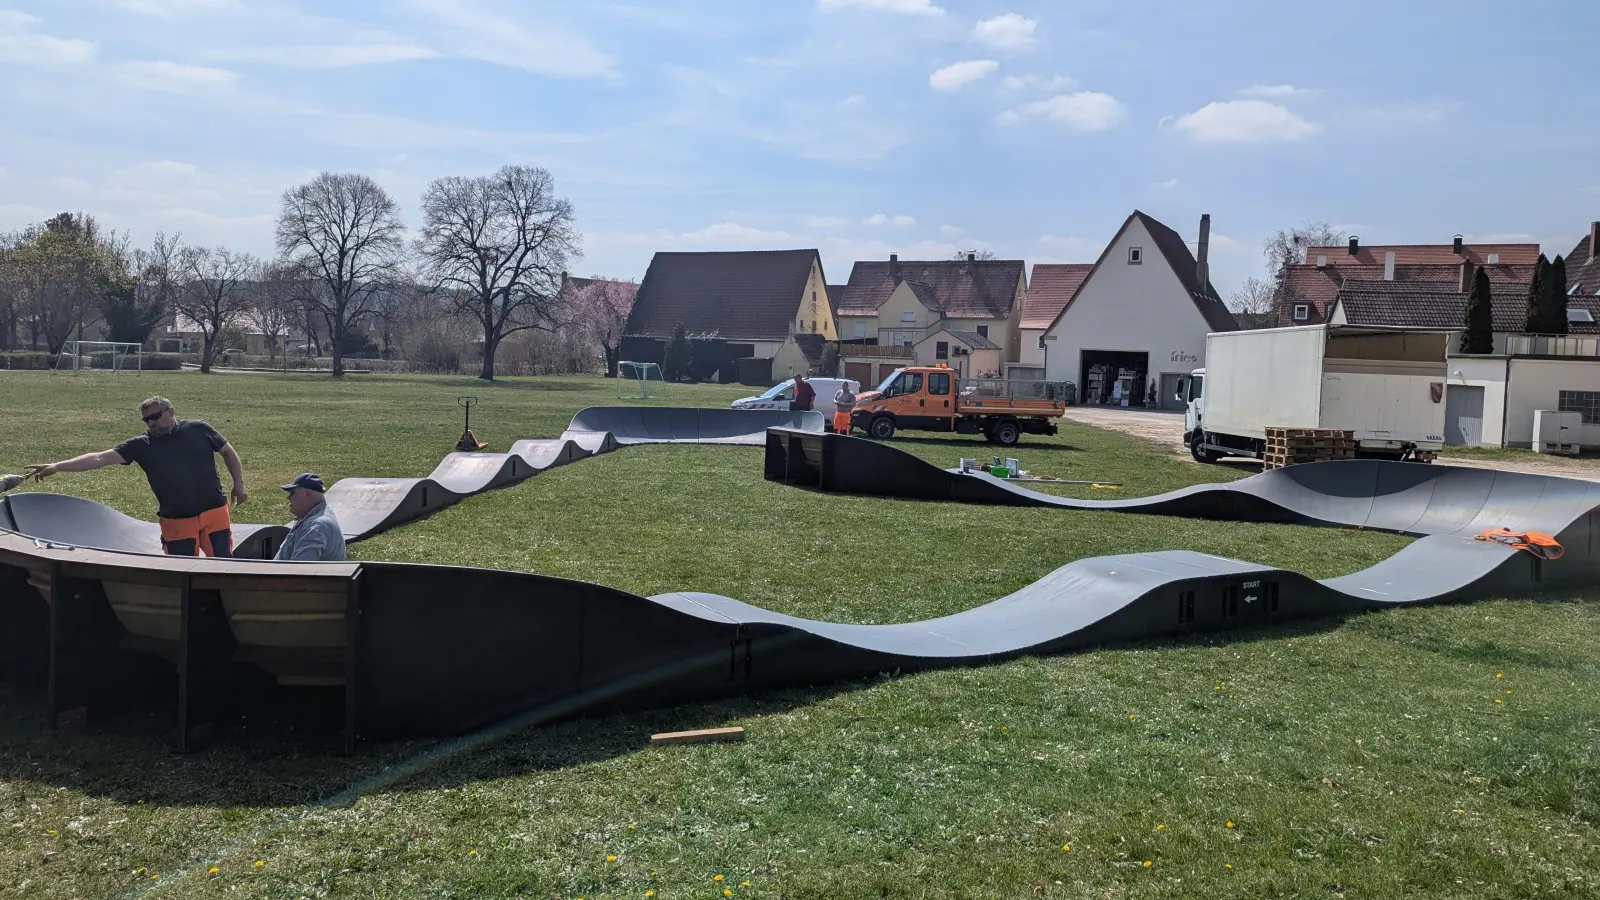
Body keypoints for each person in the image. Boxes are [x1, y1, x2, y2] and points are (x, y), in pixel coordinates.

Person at [26, 396, 248, 557]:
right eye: (146, 420)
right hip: (177, 520)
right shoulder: (142, 445)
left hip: (215, 512)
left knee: (222, 564)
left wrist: (239, 484)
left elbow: (227, 451)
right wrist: (57, 466)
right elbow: (98, 459)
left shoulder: (198, 429)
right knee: (182, 573)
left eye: (156, 416)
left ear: (171, 412)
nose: (151, 423)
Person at [273, 473, 346, 562]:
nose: (288, 497)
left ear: (307, 494)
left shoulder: (317, 526)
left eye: (292, 492)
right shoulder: (311, 519)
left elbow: (299, 571)